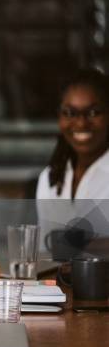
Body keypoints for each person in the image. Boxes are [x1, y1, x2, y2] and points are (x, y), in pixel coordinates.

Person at [36, 68, 109, 258]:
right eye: (70, 113)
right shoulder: (51, 177)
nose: (81, 123)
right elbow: (47, 251)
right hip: (58, 286)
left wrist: (80, 245)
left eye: (93, 112)